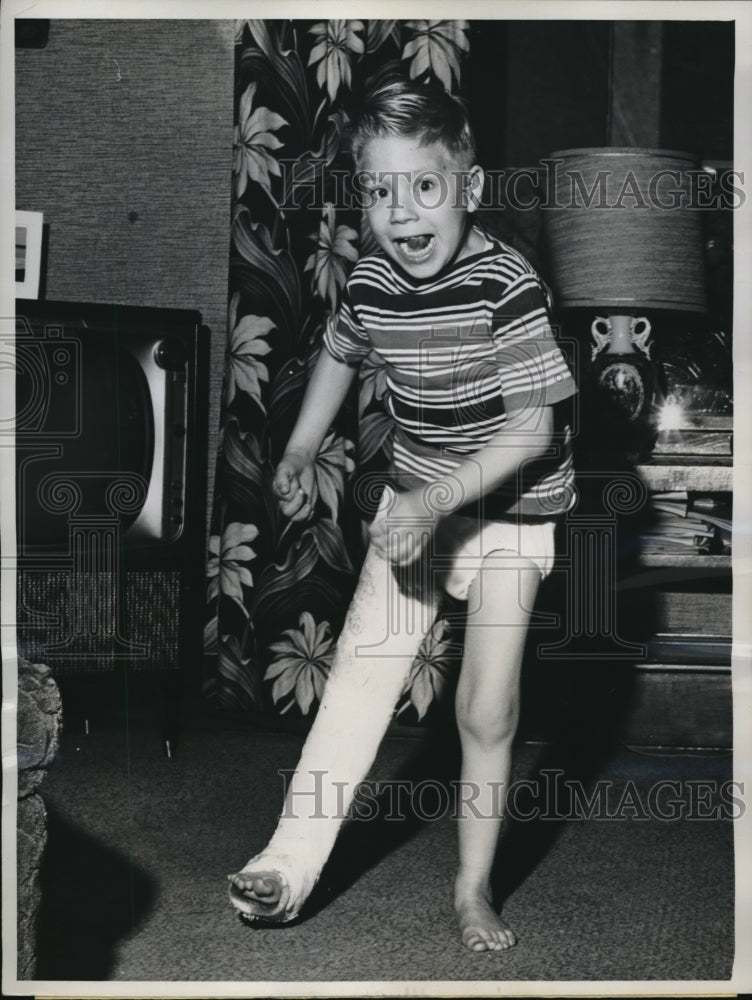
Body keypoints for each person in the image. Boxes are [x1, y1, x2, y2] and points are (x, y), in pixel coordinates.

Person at [229, 77, 577, 953]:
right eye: (380, 190)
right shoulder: (375, 276)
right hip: (416, 500)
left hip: (509, 509)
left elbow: (534, 427)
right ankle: (287, 863)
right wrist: (304, 447)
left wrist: (432, 500)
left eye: (425, 186)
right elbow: (342, 356)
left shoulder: (509, 284)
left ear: (470, 187)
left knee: (486, 709)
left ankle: (472, 888)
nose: (402, 211)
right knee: (359, 679)